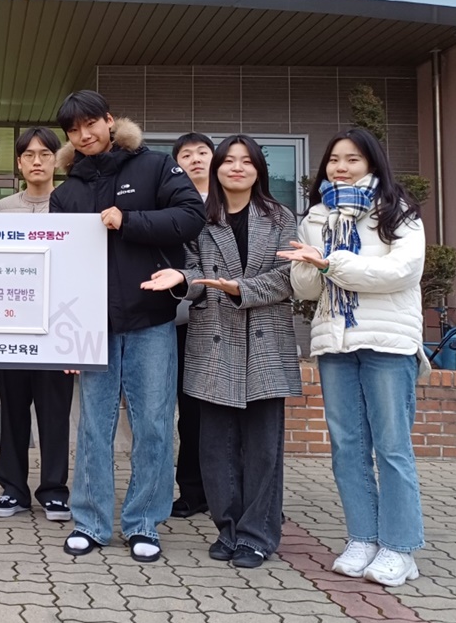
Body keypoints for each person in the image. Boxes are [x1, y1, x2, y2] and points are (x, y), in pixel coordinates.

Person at [50, 91, 205, 563]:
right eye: (73, 130)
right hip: (91, 327)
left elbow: (191, 217)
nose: (84, 135)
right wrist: (65, 338)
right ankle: (91, 522)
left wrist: (129, 221)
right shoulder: (66, 192)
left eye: (90, 124)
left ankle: (143, 523)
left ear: (109, 121)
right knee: (93, 427)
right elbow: (59, 267)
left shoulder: (155, 166)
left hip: (150, 318)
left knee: (153, 424)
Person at [278, 128, 427, 588]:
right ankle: (363, 538)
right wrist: (309, 266)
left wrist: (330, 263)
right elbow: (307, 290)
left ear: (372, 164)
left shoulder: (397, 210)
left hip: (388, 341)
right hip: (335, 341)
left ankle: (400, 548)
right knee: (347, 447)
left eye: (352, 159)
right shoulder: (316, 216)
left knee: (392, 447)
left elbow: (401, 272)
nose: (341, 167)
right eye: (334, 160)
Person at [143, 135, 299, 569]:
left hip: (265, 340)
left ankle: (257, 535)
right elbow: (193, 272)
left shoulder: (281, 217)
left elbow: (289, 275)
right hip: (213, 337)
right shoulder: (201, 218)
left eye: (246, 161)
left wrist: (239, 289)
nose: (236, 168)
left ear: (258, 170)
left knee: (263, 447)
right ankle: (228, 528)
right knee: (215, 445)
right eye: (229, 161)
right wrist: (180, 280)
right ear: (218, 169)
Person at [0, 126, 74, 522]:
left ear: (57, 160)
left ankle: (54, 491)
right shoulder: (3, 208)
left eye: (45, 154)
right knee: (13, 411)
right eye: (28, 155)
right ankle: (13, 489)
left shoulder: (75, 203)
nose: (37, 161)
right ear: (19, 163)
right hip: (13, 323)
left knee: (55, 412)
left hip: (59, 325)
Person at [169, 132, 214, 520]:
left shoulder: (231, 201)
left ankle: (239, 492)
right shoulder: (172, 204)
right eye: (186, 154)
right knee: (191, 409)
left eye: (203, 152)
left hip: (230, 318)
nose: (196, 159)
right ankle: (192, 490)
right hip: (185, 319)